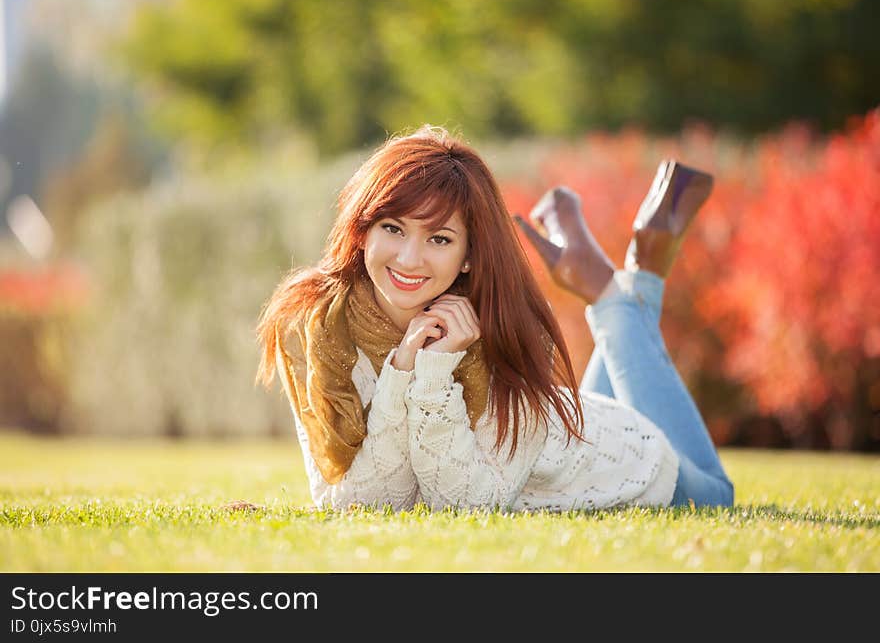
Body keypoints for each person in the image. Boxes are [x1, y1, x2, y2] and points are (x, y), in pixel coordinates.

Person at [255, 125, 734, 513]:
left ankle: (614, 290)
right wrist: (402, 368)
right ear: (362, 231)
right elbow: (358, 503)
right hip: (571, 423)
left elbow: (468, 504)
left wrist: (432, 373)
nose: (409, 258)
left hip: (622, 463)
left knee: (718, 496)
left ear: (468, 256)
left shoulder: (501, 329)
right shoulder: (317, 329)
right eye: (393, 228)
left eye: (439, 239)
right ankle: (636, 273)